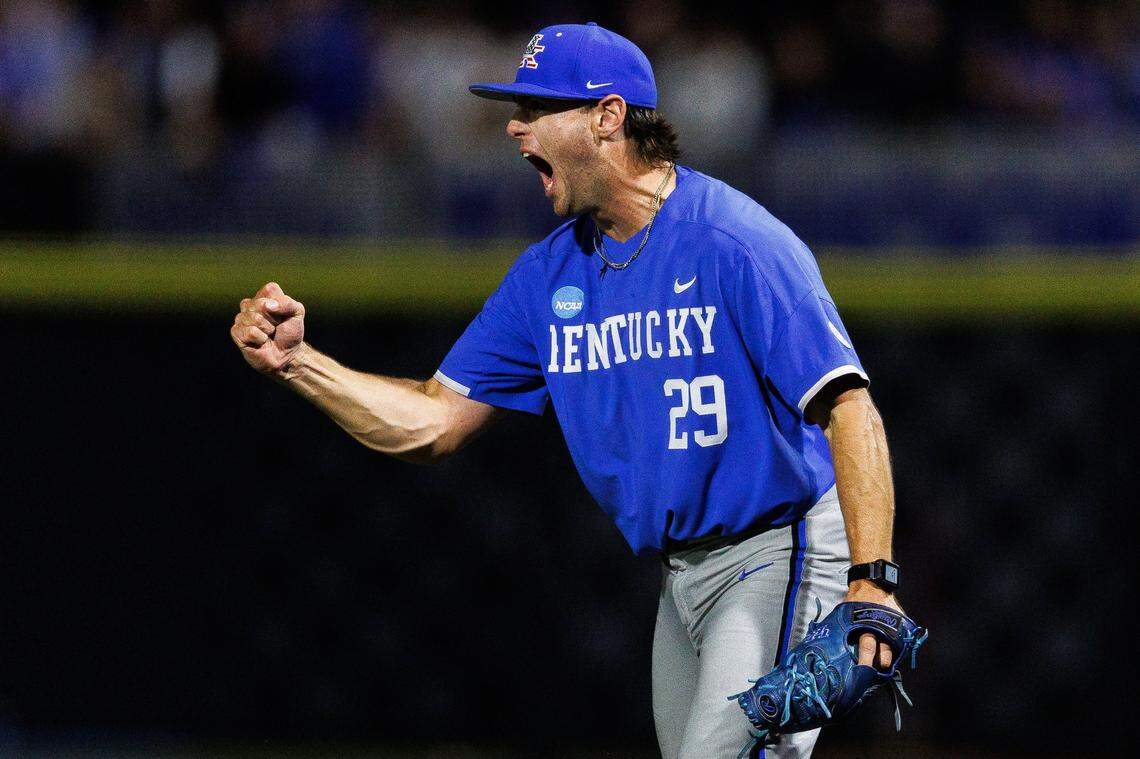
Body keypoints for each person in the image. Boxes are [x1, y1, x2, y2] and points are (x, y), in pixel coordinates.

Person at [230, 22, 906, 759]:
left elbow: (848, 403)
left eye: (536, 109)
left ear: (607, 117)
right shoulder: (548, 277)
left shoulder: (734, 242)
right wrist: (299, 364)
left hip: (781, 548)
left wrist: (871, 579)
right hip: (681, 579)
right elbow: (432, 421)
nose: (516, 128)